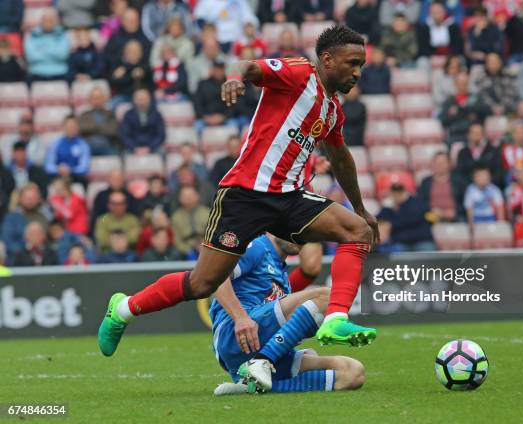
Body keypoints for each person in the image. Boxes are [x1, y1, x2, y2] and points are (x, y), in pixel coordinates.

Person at [98, 26, 380, 360]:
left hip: (289, 198)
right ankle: (124, 309)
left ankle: (335, 319)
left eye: (361, 65)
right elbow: (252, 66)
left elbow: (341, 158)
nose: (357, 72)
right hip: (244, 195)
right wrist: (235, 78)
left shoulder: (332, 110)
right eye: (352, 63)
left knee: (357, 230)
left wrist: (360, 208)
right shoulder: (300, 73)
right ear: (328, 60)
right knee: (202, 283)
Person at [209, 234, 364, 395]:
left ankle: (251, 385)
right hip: (235, 336)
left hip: (261, 346)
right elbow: (214, 275)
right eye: (294, 228)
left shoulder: (282, 272)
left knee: (353, 373)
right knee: (328, 297)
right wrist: (240, 318)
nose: (300, 236)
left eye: (304, 232)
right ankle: (263, 361)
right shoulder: (256, 247)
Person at [377, 182, 436, 251]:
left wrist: (391, 224)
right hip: (401, 242)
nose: (397, 195)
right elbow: (379, 218)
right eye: (394, 193)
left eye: (399, 193)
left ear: (404, 192)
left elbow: (412, 218)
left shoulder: (416, 202)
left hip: (421, 240)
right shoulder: (389, 207)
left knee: (428, 253)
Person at [1, 183, 50, 264]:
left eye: (33, 198)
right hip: (18, 259)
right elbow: (7, 241)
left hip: (43, 259)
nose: (30, 200)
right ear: (20, 198)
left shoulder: (44, 217)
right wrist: (28, 248)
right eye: (28, 198)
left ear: (39, 199)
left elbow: (48, 242)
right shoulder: (12, 218)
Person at [440, 73, 490, 143]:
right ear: (455, 84)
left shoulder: (475, 98)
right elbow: (444, 120)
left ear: (468, 84)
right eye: (460, 84)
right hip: (456, 135)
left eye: (465, 83)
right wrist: (467, 113)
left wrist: (460, 111)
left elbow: (486, 111)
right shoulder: (449, 101)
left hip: (475, 136)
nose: (462, 86)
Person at [418, 152, 467, 222]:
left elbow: (466, 202)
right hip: (432, 216)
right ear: (432, 164)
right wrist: (431, 210)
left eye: (443, 162)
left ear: (449, 164)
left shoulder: (459, 181)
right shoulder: (425, 182)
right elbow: (420, 203)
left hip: (455, 217)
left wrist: (455, 211)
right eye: (437, 162)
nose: (440, 165)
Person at [194, 0, 258, 52]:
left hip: (237, 40)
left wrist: (249, 29)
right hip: (216, 40)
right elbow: (199, 19)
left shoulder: (240, 1)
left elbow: (250, 20)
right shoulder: (206, 2)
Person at [24, 9, 70, 82]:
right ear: (41, 21)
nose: (48, 23)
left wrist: (43, 50)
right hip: (37, 72)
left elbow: (62, 55)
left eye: (51, 20)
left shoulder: (62, 34)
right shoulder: (32, 35)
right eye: (45, 20)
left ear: (55, 22)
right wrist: (54, 51)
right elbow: (32, 57)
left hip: (60, 72)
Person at [44, 116, 91, 187]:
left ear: (78, 128)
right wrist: (58, 169)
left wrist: (70, 170)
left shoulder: (83, 145)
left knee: (84, 180)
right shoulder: (55, 144)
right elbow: (49, 166)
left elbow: (84, 167)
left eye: (73, 127)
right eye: (68, 127)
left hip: (75, 176)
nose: (71, 129)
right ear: (63, 128)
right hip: (58, 175)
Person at [103, 8, 151, 72]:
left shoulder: (145, 40)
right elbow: (108, 59)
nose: (131, 23)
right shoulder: (114, 39)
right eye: (128, 20)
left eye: (134, 20)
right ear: (122, 21)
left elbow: (148, 61)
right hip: (118, 74)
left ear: (139, 21)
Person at [119, 88, 166, 154]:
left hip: (153, 147)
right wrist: (134, 148)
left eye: (144, 99)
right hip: (133, 147)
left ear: (149, 99)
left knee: (162, 153)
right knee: (124, 154)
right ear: (134, 100)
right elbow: (125, 135)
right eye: (139, 99)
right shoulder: (128, 115)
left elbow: (160, 135)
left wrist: (150, 148)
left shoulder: (156, 114)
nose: (142, 102)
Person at [474, 52, 519, 116]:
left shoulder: (509, 75)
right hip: (488, 110)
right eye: (491, 62)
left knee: (517, 105)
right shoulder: (480, 78)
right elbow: (483, 96)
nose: (493, 64)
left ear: (500, 62)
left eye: (495, 62)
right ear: (486, 65)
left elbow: (511, 94)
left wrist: (502, 107)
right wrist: (493, 108)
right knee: (479, 106)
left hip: (506, 108)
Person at [109, 40, 152, 106]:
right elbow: (112, 82)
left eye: (135, 51)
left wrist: (143, 73)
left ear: (141, 53)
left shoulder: (146, 65)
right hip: (124, 96)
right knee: (111, 105)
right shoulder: (118, 65)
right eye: (130, 51)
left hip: (144, 97)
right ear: (125, 53)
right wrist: (131, 76)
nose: (133, 53)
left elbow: (151, 81)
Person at [78, 87, 120, 156]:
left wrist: (93, 128)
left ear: (104, 99)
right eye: (94, 98)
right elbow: (83, 128)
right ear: (90, 100)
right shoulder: (84, 115)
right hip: (89, 146)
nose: (97, 101)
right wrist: (102, 127)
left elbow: (112, 131)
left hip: (108, 145)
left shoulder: (111, 114)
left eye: (99, 98)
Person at [170, 186, 211, 256]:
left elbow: (213, 234)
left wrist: (205, 245)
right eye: (185, 196)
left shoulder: (208, 213)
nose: (188, 198)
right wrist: (188, 250)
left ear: (197, 196)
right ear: (180, 198)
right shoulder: (176, 217)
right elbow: (176, 240)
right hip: (186, 248)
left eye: (191, 195)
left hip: (207, 245)